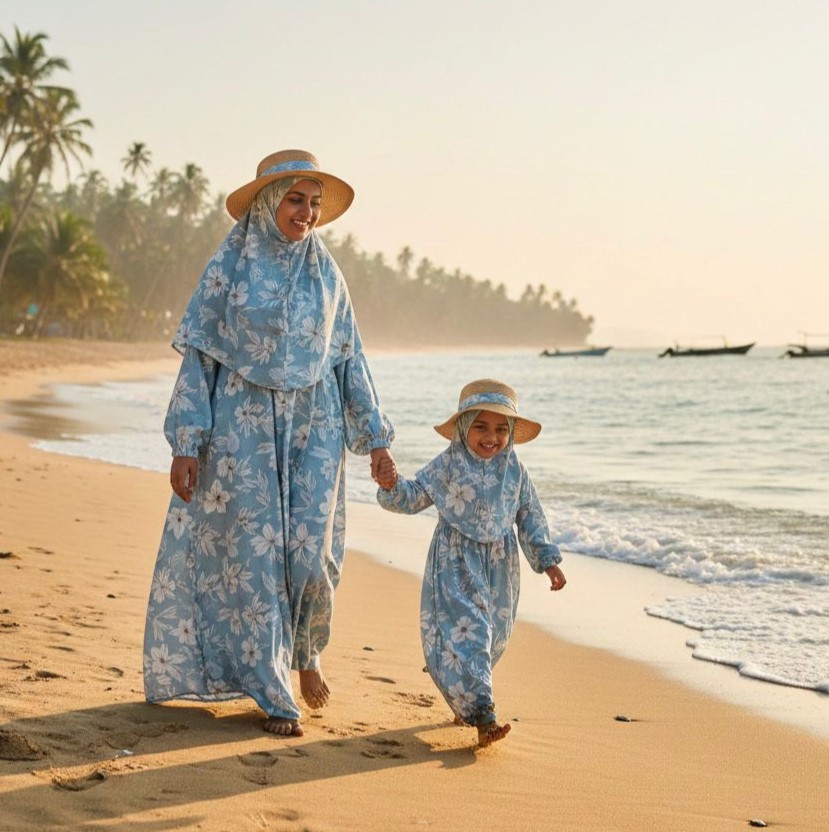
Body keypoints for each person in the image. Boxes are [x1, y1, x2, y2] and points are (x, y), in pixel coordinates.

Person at [143, 149, 396, 737]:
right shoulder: (227, 269)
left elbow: (349, 360)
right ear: (265, 202)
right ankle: (273, 687)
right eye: (294, 199)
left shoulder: (328, 275)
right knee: (252, 565)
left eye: (313, 203)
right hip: (241, 432)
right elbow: (200, 358)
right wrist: (186, 440)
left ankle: (306, 653)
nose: (305, 212)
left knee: (312, 560)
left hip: (317, 430)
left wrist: (376, 440)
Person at [376, 379, 566, 747]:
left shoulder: (515, 472)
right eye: (481, 426)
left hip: (500, 567)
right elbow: (414, 496)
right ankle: (485, 716)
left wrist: (547, 561)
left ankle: (466, 698)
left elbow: (530, 517)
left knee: (492, 636)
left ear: (511, 433)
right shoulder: (449, 464)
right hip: (455, 563)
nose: (490, 437)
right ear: (464, 427)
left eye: (500, 429)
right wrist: (390, 485)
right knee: (473, 632)